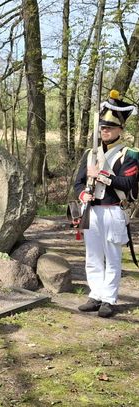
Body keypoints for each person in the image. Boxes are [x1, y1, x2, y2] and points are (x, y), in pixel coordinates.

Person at [74, 89, 138, 318]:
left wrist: (101, 175)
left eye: (110, 127)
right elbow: (78, 183)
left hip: (113, 211)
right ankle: (95, 295)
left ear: (121, 129)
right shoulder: (90, 153)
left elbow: (128, 183)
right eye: (102, 127)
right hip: (91, 210)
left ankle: (109, 299)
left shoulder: (130, 154)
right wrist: (83, 195)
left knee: (112, 257)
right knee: (92, 256)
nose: (105, 131)